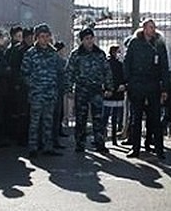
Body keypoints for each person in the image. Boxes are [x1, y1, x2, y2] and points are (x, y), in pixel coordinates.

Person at [123, 19, 169, 159]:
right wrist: (128, 82)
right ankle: (135, 148)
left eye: (154, 27)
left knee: (155, 118)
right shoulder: (135, 43)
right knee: (136, 119)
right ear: (144, 28)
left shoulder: (159, 43)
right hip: (137, 84)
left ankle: (159, 149)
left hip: (153, 85)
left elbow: (164, 66)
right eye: (150, 27)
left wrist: (165, 88)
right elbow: (127, 62)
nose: (153, 30)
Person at [66, 27, 112, 153]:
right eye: (87, 38)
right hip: (82, 89)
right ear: (82, 40)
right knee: (81, 118)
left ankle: (99, 143)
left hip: (96, 89)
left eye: (91, 38)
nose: (90, 41)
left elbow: (107, 71)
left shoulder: (100, 54)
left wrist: (109, 87)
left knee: (98, 118)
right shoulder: (76, 54)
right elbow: (69, 72)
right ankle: (80, 143)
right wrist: (69, 88)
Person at [21, 23, 63, 158]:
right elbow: (24, 73)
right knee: (35, 122)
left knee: (48, 121)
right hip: (37, 94)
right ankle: (33, 147)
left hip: (50, 93)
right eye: (42, 36)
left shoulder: (53, 53)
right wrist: (34, 86)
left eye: (46, 36)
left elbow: (60, 71)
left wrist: (56, 88)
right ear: (37, 38)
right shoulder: (30, 54)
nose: (44, 39)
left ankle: (47, 147)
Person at [103, 44, 126, 145]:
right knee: (113, 117)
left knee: (107, 116)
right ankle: (112, 138)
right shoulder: (118, 64)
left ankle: (104, 137)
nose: (119, 54)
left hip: (110, 92)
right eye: (118, 52)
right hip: (116, 93)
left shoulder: (108, 64)